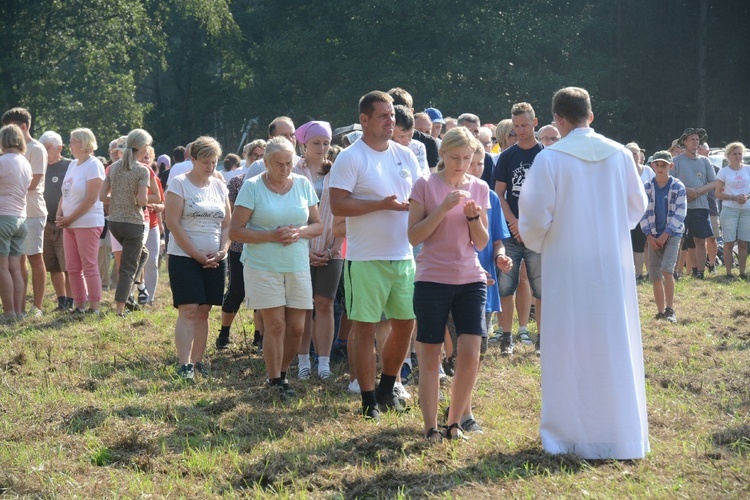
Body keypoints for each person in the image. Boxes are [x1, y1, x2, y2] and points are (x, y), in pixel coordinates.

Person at [519, 86, 649, 460]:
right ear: (590, 116)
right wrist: (607, 228)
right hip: (611, 262)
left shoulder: (550, 158)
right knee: (613, 338)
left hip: (568, 262)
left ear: (557, 120)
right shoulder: (622, 155)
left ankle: (568, 436)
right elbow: (635, 208)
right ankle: (620, 434)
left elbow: (533, 217)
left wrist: (546, 241)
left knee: (569, 341)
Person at [329, 90, 420, 421]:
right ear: (364, 120)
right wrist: (381, 204)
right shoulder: (352, 157)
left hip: (403, 254)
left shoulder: (405, 155)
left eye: (392, 116)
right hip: (366, 257)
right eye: (383, 116)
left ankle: (386, 387)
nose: (390, 121)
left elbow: (420, 195)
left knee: (406, 323)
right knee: (364, 328)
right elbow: (338, 204)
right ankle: (368, 400)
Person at [230, 137, 322, 397]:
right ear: (266, 163)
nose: (284, 169)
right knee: (276, 325)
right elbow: (236, 231)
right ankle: (275, 380)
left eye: (289, 163)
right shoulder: (252, 187)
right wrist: (271, 235)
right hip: (262, 264)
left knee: (297, 327)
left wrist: (300, 232)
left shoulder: (303, 184)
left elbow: (318, 224)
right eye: (278, 164)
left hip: (296, 264)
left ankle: (281, 371)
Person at [165, 136, 231, 380]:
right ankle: (184, 365)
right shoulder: (179, 184)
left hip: (215, 258)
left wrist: (223, 250)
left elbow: (227, 224)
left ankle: (198, 360)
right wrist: (196, 254)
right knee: (189, 310)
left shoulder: (219, 186)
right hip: (185, 257)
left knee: (204, 310)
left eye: (214, 162)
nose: (210, 167)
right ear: (192, 159)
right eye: (205, 162)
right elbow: (172, 222)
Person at [292, 121, 344, 380]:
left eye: (325, 142)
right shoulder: (292, 171)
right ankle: (302, 360)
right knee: (302, 305)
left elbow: (342, 213)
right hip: (298, 246)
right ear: (303, 144)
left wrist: (335, 247)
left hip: (332, 246)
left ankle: (323, 361)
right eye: (316, 142)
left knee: (325, 303)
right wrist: (303, 248)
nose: (322, 147)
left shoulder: (337, 171)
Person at [492, 102, 544, 356]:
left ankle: (541, 339)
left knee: (540, 287)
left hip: (537, 232)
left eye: (525, 125)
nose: (521, 130)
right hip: (511, 232)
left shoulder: (546, 155)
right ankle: (506, 337)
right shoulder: (507, 156)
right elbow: (499, 193)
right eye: (516, 126)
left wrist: (529, 225)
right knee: (506, 286)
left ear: (535, 122)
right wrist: (513, 222)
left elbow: (550, 196)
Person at [100, 129, 157, 317]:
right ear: (142, 147)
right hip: (134, 223)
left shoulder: (114, 167)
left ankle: (130, 286)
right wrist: (148, 202)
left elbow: (102, 197)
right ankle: (119, 310)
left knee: (142, 255)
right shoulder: (142, 170)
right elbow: (142, 201)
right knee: (127, 267)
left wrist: (119, 198)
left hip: (115, 223)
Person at [2, 108, 48, 317]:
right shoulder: (22, 159)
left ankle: (22, 309)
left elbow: (31, 184)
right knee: (17, 265)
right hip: (20, 214)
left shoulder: (34, 150)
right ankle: (18, 309)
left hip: (18, 214)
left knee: (21, 263)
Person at [57, 128, 105, 315]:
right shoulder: (73, 165)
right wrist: (60, 214)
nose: (70, 144)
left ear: (84, 143)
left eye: (73, 141)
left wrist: (70, 218)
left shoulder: (94, 165)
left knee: (89, 264)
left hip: (88, 222)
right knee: (72, 267)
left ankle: (95, 306)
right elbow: (65, 193)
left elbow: (92, 198)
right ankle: (79, 305)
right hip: (69, 224)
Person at [640, 151, 687, 323]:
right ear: (652, 166)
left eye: (664, 165)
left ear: (671, 166)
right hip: (653, 234)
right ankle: (660, 312)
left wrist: (666, 234)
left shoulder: (678, 186)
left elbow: (681, 213)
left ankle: (670, 310)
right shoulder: (645, 186)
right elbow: (642, 213)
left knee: (667, 270)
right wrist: (650, 236)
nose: (660, 168)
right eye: (657, 165)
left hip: (673, 234)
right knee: (655, 275)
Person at [672, 128, 716, 279]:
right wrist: (686, 191)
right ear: (684, 142)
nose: (695, 142)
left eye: (697, 140)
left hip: (700, 206)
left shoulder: (705, 161)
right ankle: (676, 272)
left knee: (700, 239)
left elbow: (714, 182)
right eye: (692, 139)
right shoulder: (676, 161)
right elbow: (671, 182)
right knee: (680, 239)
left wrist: (697, 191)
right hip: (681, 207)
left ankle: (700, 272)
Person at [0, 124, 33, 322]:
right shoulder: (25, 162)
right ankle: (18, 312)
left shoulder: (3, 161)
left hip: (3, 218)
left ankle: (9, 312)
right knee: (15, 267)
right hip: (21, 218)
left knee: (2, 268)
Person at [39, 131, 74, 311]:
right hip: (45, 223)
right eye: (43, 148)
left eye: (48, 148)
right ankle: (61, 300)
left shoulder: (69, 166)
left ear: (59, 148)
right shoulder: (39, 167)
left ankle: (71, 300)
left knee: (67, 265)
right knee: (52, 265)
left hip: (64, 223)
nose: (45, 152)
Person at [715, 142, 750, 277]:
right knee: (729, 242)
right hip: (729, 209)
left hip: (746, 209)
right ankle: (728, 272)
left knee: (743, 242)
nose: (737, 156)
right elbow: (717, 193)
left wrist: (747, 196)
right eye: (734, 154)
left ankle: (742, 271)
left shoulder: (748, 169)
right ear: (728, 156)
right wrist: (733, 197)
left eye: (740, 154)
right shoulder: (724, 172)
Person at [626, 142, 655, 281]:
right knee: (631, 244)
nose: (633, 156)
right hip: (628, 213)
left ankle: (644, 273)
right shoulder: (622, 171)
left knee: (645, 244)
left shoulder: (648, 171)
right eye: (630, 153)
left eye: (635, 153)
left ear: (640, 155)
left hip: (646, 213)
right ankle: (633, 274)